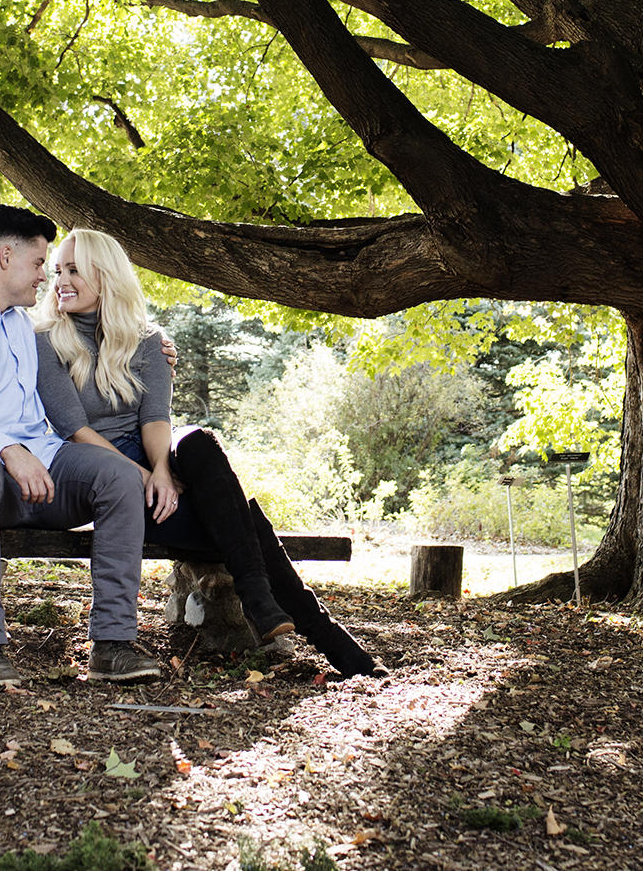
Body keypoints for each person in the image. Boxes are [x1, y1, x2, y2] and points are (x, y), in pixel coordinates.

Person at [33, 227, 382, 678]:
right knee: (241, 521)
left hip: (154, 458)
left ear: (107, 276)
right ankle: (314, 628)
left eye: (74, 269)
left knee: (198, 441)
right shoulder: (45, 341)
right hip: (101, 472)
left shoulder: (147, 340)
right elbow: (74, 429)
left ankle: (266, 599)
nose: (60, 279)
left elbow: (156, 418)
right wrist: (142, 477)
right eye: (58, 269)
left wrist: (160, 467)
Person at [0, 205, 163, 689]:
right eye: (40, 262)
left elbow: (98, 337)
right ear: (5, 256)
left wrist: (157, 347)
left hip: (45, 470)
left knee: (118, 474)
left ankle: (112, 645)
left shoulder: (24, 324)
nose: (47, 275)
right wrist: (5, 448)